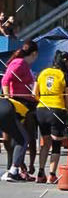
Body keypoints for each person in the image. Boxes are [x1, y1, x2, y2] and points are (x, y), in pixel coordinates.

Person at [1, 39, 39, 179]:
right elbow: (5, 80)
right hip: (15, 104)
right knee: (21, 138)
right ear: (34, 53)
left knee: (22, 138)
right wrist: (7, 99)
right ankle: (14, 169)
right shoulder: (19, 63)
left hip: (24, 104)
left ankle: (17, 169)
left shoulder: (24, 65)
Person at [34, 48, 68, 184]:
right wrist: (67, 109)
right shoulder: (64, 75)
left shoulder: (42, 72)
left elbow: (34, 93)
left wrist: (43, 101)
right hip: (57, 109)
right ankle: (51, 175)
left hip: (41, 109)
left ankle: (40, 173)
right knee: (56, 143)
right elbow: (67, 95)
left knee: (45, 142)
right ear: (65, 61)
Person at [0, 95, 31, 181]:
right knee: (23, 139)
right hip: (6, 109)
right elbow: (26, 136)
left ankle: (14, 170)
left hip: (4, 107)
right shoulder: (27, 112)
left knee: (18, 138)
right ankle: (13, 171)